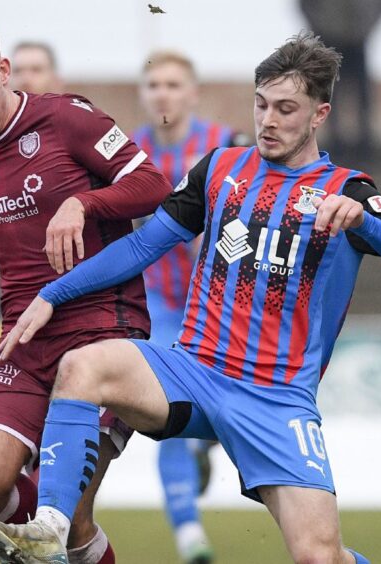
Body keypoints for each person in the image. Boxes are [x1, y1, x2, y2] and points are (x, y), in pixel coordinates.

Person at [0, 32, 381, 563]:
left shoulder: (345, 190)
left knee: (318, 558)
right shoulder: (219, 170)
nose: (268, 121)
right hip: (193, 370)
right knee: (83, 365)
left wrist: (367, 224)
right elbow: (145, 243)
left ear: (319, 114)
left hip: (275, 398)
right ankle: (49, 528)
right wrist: (55, 293)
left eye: (287, 109)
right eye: (261, 105)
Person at [0, 14, 173, 564]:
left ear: (3, 71)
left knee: (71, 516)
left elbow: (155, 184)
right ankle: (41, 546)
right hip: (25, 343)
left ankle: (52, 543)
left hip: (104, 334)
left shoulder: (68, 119)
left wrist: (84, 202)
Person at [132, 50, 245, 564]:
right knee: (168, 411)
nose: (163, 93)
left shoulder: (225, 147)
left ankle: (206, 443)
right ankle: (189, 536)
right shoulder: (128, 151)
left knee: (220, 412)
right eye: (154, 84)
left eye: (174, 84)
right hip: (156, 304)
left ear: (193, 93)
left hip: (218, 308)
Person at [299, 0, 381, 167]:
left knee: (362, 96)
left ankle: (364, 145)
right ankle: (336, 144)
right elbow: (305, 5)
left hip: (357, 38)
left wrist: (367, 24)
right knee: (330, 94)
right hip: (329, 38)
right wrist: (320, 25)